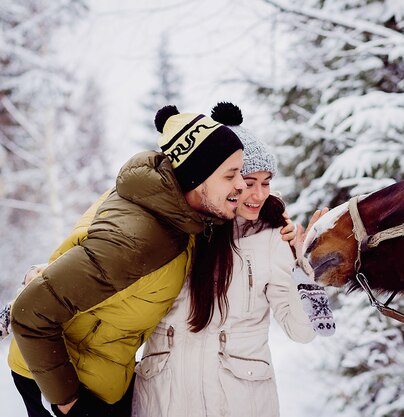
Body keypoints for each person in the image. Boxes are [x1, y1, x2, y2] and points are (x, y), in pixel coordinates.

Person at [8, 105, 292, 417]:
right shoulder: (139, 238)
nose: (242, 184)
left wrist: (281, 226)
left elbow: (85, 249)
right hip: (65, 379)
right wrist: (69, 404)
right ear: (198, 178)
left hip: (107, 372)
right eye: (233, 175)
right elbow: (31, 313)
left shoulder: (174, 206)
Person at [131, 102, 330, 417]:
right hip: (166, 401)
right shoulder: (172, 233)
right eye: (249, 182)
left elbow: (302, 331)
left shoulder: (272, 238)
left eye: (266, 183)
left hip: (241, 402)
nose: (259, 194)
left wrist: (306, 268)